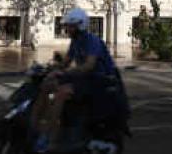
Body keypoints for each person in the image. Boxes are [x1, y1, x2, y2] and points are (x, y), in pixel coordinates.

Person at [32, 8, 120, 152]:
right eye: (67, 25)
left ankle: (51, 140)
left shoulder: (92, 41)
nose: (67, 29)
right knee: (46, 86)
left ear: (80, 25)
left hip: (99, 81)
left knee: (61, 93)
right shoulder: (76, 41)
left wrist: (65, 73)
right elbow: (66, 62)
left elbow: (88, 66)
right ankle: (34, 128)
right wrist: (48, 69)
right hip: (85, 79)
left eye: (70, 26)